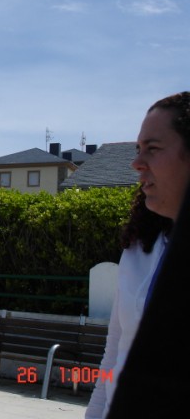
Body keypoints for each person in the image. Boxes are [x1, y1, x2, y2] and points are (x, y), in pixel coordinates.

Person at [85, 91, 190, 418]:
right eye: (137, 149)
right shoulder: (138, 249)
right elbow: (114, 353)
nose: (136, 163)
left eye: (153, 149)